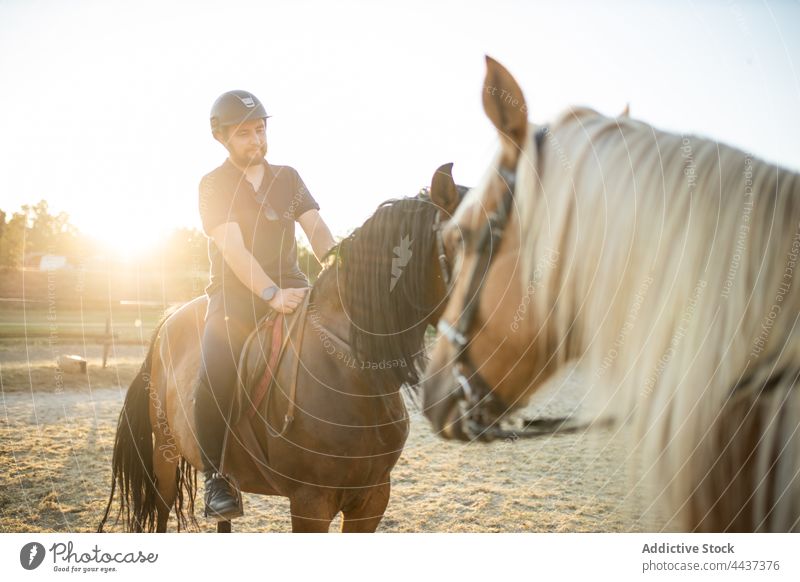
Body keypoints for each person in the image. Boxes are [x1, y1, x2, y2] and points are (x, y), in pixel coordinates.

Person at [196, 90, 336, 520]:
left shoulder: (288, 178)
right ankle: (216, 476)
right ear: (222, 138)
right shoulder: (213, 185)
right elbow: (233, 249)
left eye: (260, 129)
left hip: (294, 285)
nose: (256, 140)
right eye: (244, 133)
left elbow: (315, 227)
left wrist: (337, 264)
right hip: (236, 297)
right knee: (216, 365)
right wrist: (271, 295)